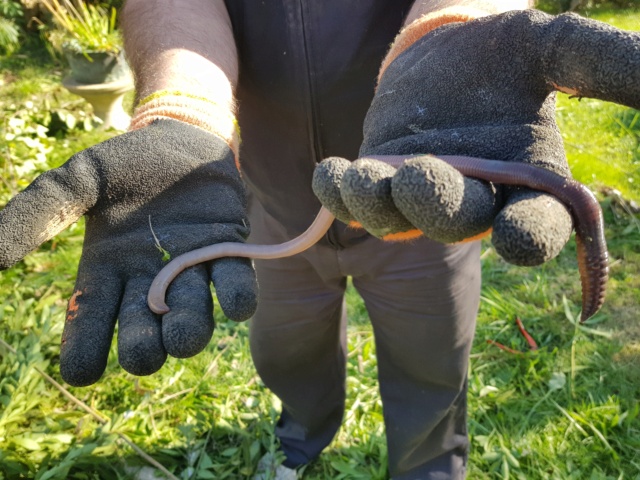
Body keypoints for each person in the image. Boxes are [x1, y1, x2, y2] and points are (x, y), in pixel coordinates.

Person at [0, 1, 638, 478]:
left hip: (420, 198)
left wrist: (458, 23)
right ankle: (300, 440)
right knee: (286, 356)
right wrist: (183, 107)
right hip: (267, 206)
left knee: (432, 366)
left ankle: (428, 469)